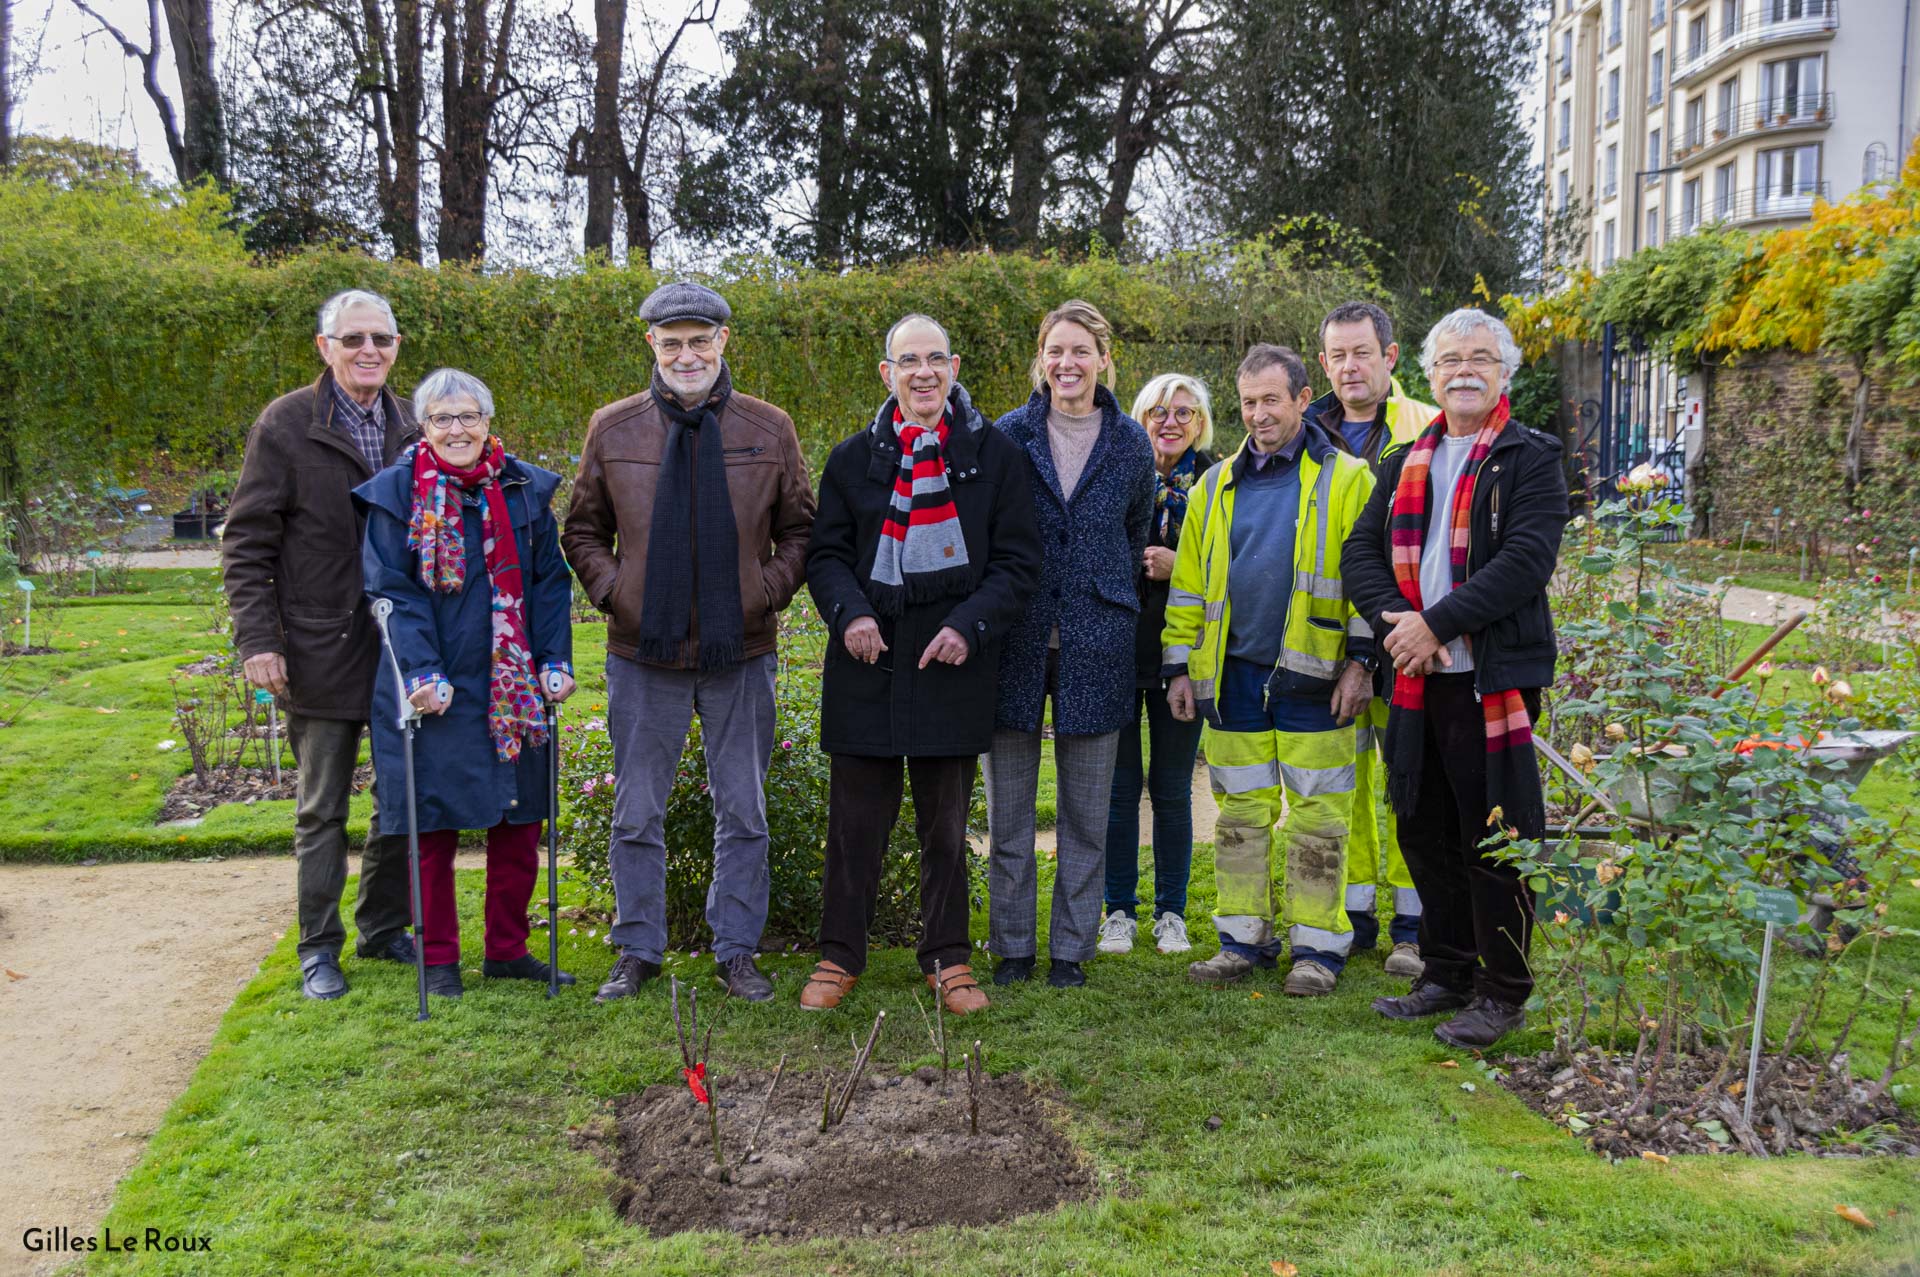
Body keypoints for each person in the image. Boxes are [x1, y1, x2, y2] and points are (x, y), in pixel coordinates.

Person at [563, 282, 816, 1005]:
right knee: (636, 809)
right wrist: (618, 592)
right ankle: (638, 948)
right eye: (671, 341)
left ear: (723, 342)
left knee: (745, 810)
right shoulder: (613, 429)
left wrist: (764, 592)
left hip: (742, 652)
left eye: (698, 340)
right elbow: (581, 529)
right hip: (643, 653)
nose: (686, 354)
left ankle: (736, 949)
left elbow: (802, 530)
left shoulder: (769, 428)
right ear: (651, 345)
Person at [799, 314, 1042, 1014]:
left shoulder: (994, 457)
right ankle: (839, 956)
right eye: (909, 361)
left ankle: (948, 959)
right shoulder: (851, 459)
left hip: (952, 667)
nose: (924, 372)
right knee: (854, 828)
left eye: (936, 359)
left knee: (945, 828)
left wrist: (971, 624)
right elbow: (826, 557)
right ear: (887, 373)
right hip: (867, 667)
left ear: (955, 366)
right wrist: (853, 615)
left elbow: (1018, 561)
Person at [1342, 308, 1569, 1049]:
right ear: (1431, 374)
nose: (1464, 369)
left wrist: (1433, 624)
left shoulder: (1530, 457)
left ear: (1504, 371)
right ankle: (1446, 972)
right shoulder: (1405, 458)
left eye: (1480, 356)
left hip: (1487, 680)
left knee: (1493, 837)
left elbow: (1525, 563)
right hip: (1416, 677)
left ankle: (1503, 990)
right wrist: (1396, 624)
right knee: (1424, 828)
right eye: (1450, 359)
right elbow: (1359, 556)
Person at [222, 289, 421, 1001]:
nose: (369, 351)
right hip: (318, 644)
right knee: (323, 807)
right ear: (325, 346)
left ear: (398, 347)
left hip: (401, 646)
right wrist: (258, 640)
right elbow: (247, 542)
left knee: (404, 797)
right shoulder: (288, 424)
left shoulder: (416, 423)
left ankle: (383, 926)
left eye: (382, 339)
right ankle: (318, 947)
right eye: (354, 338)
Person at [1162, 344, 1377, 996]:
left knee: (1318, 818)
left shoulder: (1348, 479)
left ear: (1302, 397)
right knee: (1240, 816)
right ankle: (1242, 941)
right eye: (1248, 401)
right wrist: (1178, 664)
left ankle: (1317, 950)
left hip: (1317, 681)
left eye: (1270, 400)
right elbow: (1191, 587)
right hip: (1231, 680)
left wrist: (1362, 663)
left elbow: (1371, 583)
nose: (1258, 414)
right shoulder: (1213, 485)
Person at [355, 369, 575, 998]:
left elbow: (549, 582)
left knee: (519, 819)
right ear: (423, 427)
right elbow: (393, 589)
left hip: (512, 681)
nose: (457, 429)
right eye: (442, 419)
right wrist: (422, 672)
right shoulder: (396, 493)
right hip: (437, 680)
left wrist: (553, 658)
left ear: (487, 420)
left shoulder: (524, 488)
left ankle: (507, 950)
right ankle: (440, 959)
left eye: (468, 416)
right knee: (434, 823)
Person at [985, 300, 1155, 990]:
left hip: (1098, 639)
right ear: (1040, 357)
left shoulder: (1131, 443)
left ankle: (1071, 952)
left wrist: (1107, 588)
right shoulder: (1007, 435)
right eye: (1056, 350)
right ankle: (1014, 946)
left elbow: (1136, 530)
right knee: (1010, 813)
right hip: (1017, 638)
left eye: (1080, 350)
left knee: (1086, 813)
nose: (1067, 363)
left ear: (1104, 358)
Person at [1303, 300, 1440, 980]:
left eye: (1362, 352)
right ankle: (1354, 919)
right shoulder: (1304, 432)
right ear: (1323, 362)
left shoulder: (1425, 430)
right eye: (1337, 355)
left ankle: (1416, 925)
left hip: (1405, 637)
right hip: (1322, 639)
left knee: (1409, 780)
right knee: (1342, 784)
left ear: (1391, 356)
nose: (1349, 366)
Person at [1096, 374, 1215, 958]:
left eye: (1184, 414)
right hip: (1117, 652)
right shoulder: (1117, 474)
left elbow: (1238, 569)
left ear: (1201, 424)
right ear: (1140, 417)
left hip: (1182, 659)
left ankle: (1172, 912)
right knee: (1119, 790)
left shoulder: (1219, 484)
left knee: (1170, 789)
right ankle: (1118, 910)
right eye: (1159, 411)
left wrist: (1180, 564)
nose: (1171, 422)